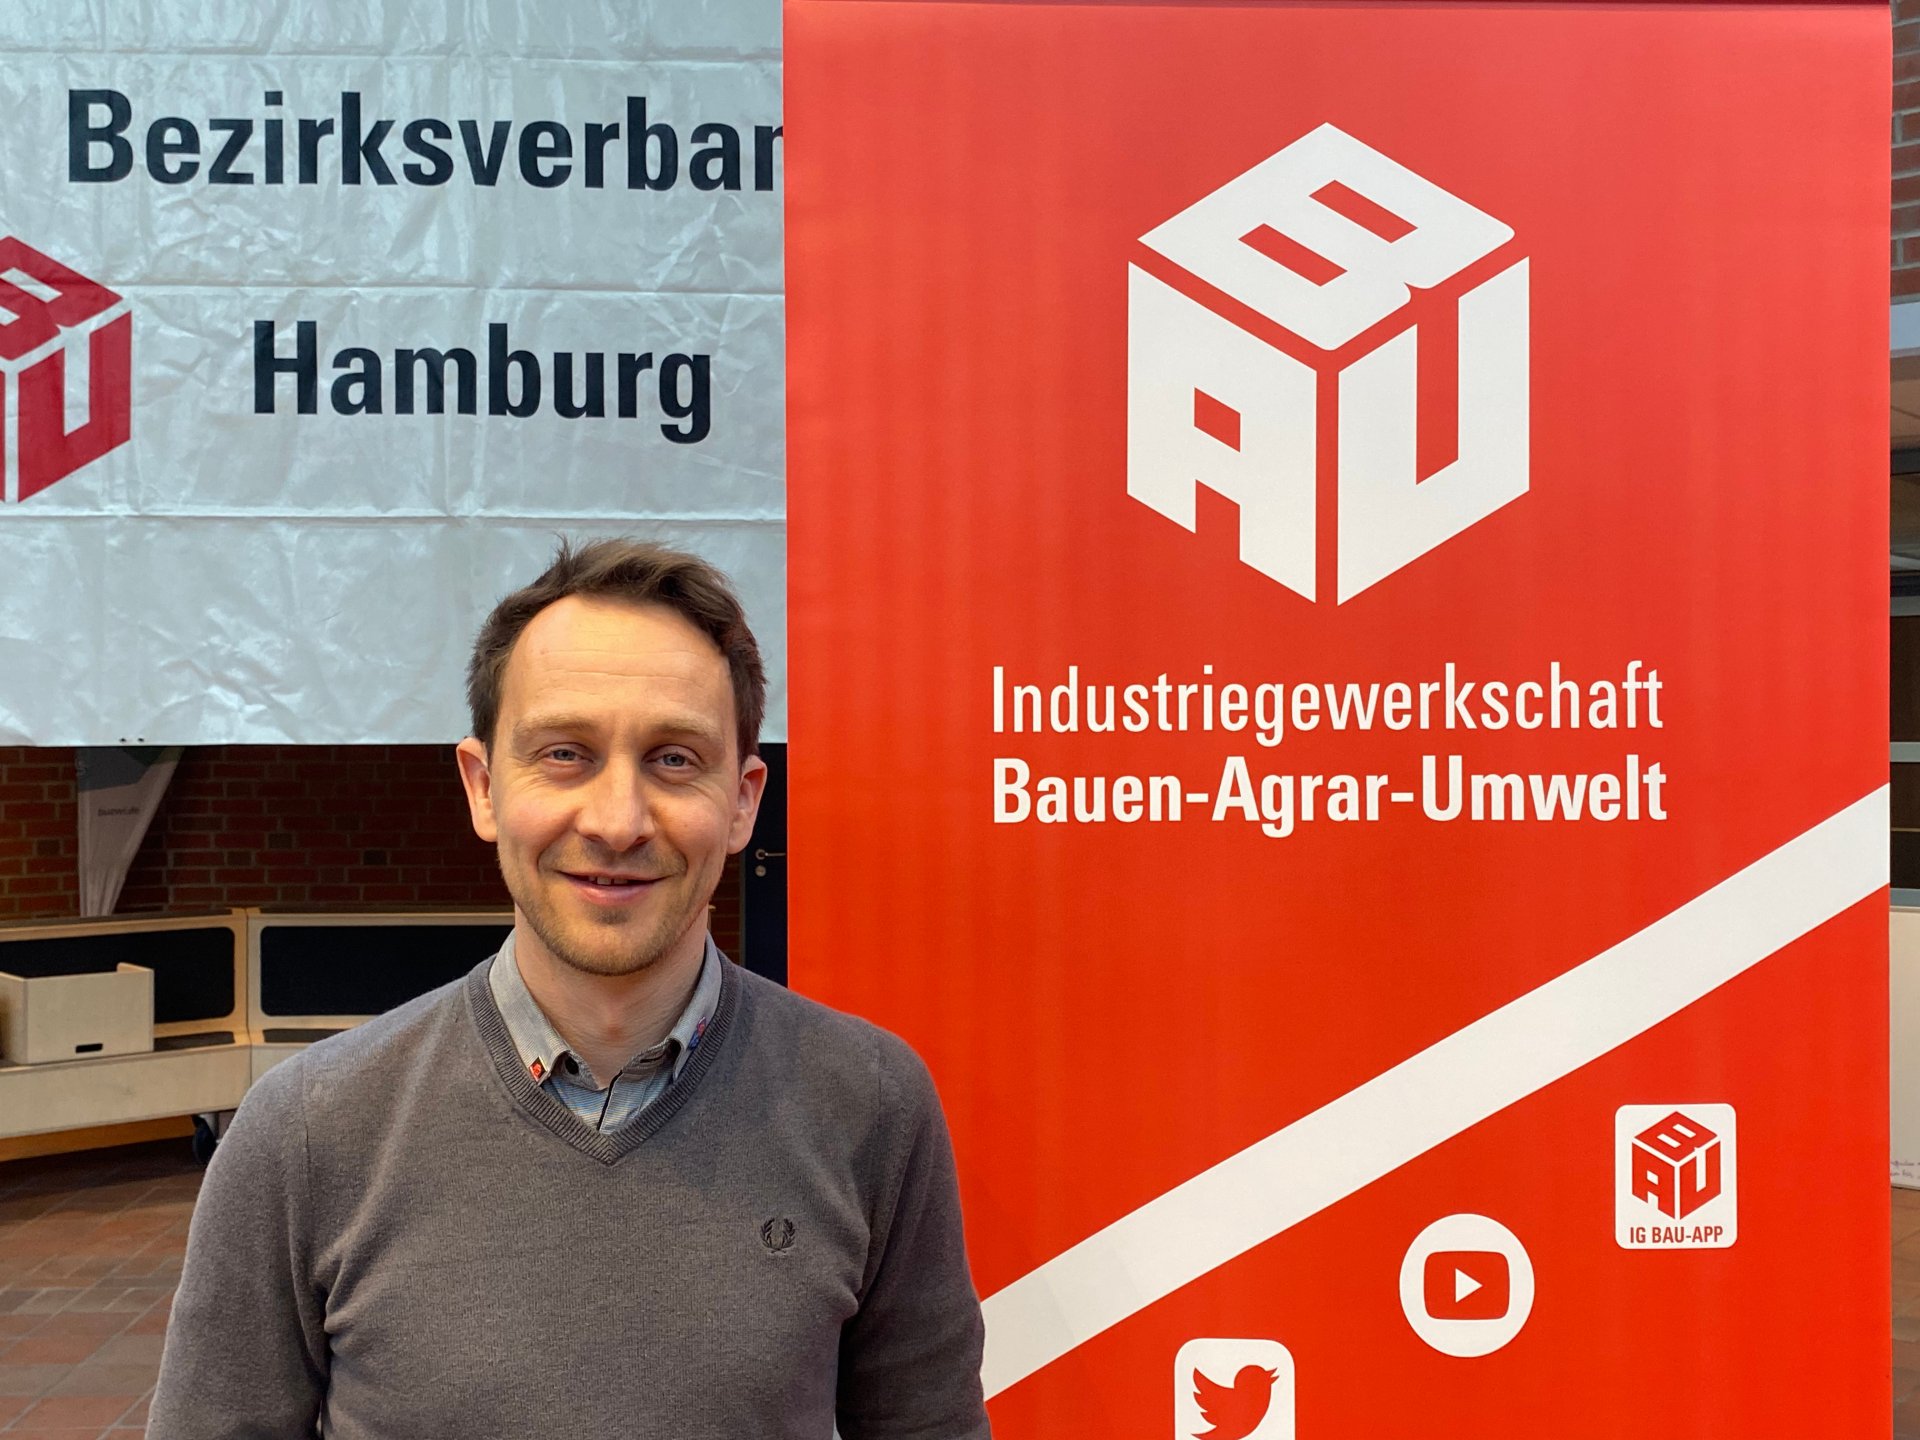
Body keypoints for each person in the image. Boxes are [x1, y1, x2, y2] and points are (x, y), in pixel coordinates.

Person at [148, 538, 990, 1439]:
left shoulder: (870, 1104)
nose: (617, 822)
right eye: (564, 754)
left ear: (744, 800)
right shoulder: (309, 1132)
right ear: (482, 788)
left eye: (674, 759)